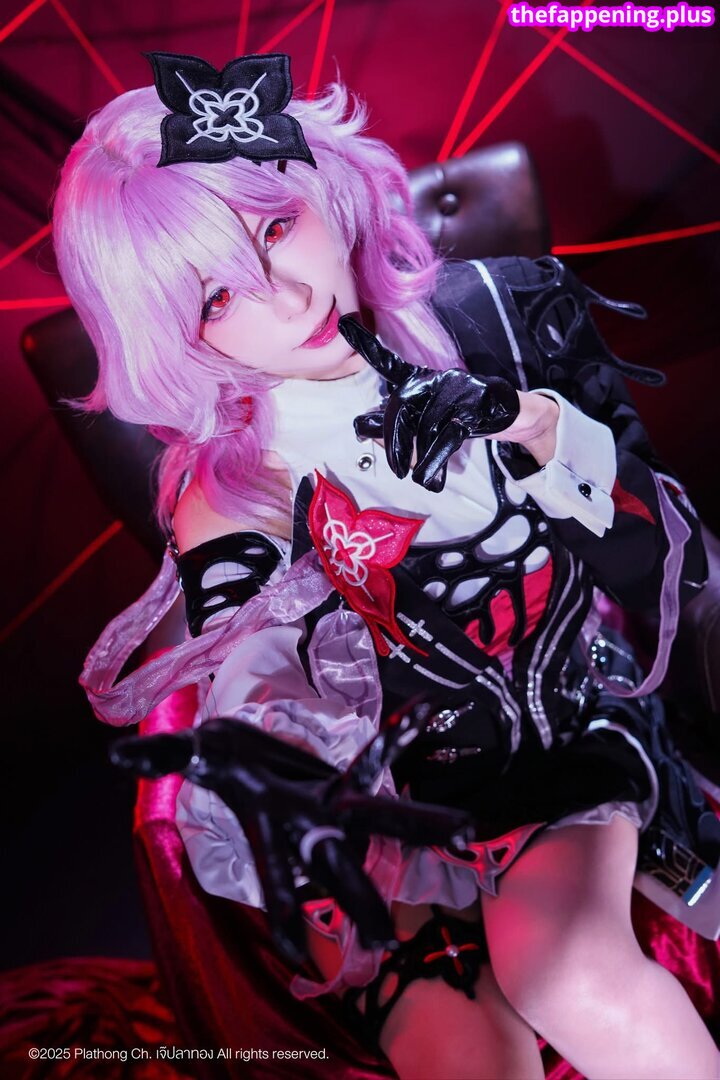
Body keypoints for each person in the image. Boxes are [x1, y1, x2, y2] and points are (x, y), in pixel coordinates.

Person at [53, 52, 720, 1079]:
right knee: (460, 1054)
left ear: (319, 184)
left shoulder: (502, 314)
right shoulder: (230, 482)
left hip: (572, 726)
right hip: (385, 810)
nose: (286, 298)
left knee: (566, 974)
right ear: (176, 337)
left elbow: (666, 559)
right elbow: (250, 654)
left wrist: (537, 427)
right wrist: (271, 738)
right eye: (219, 298)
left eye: (276, 227)